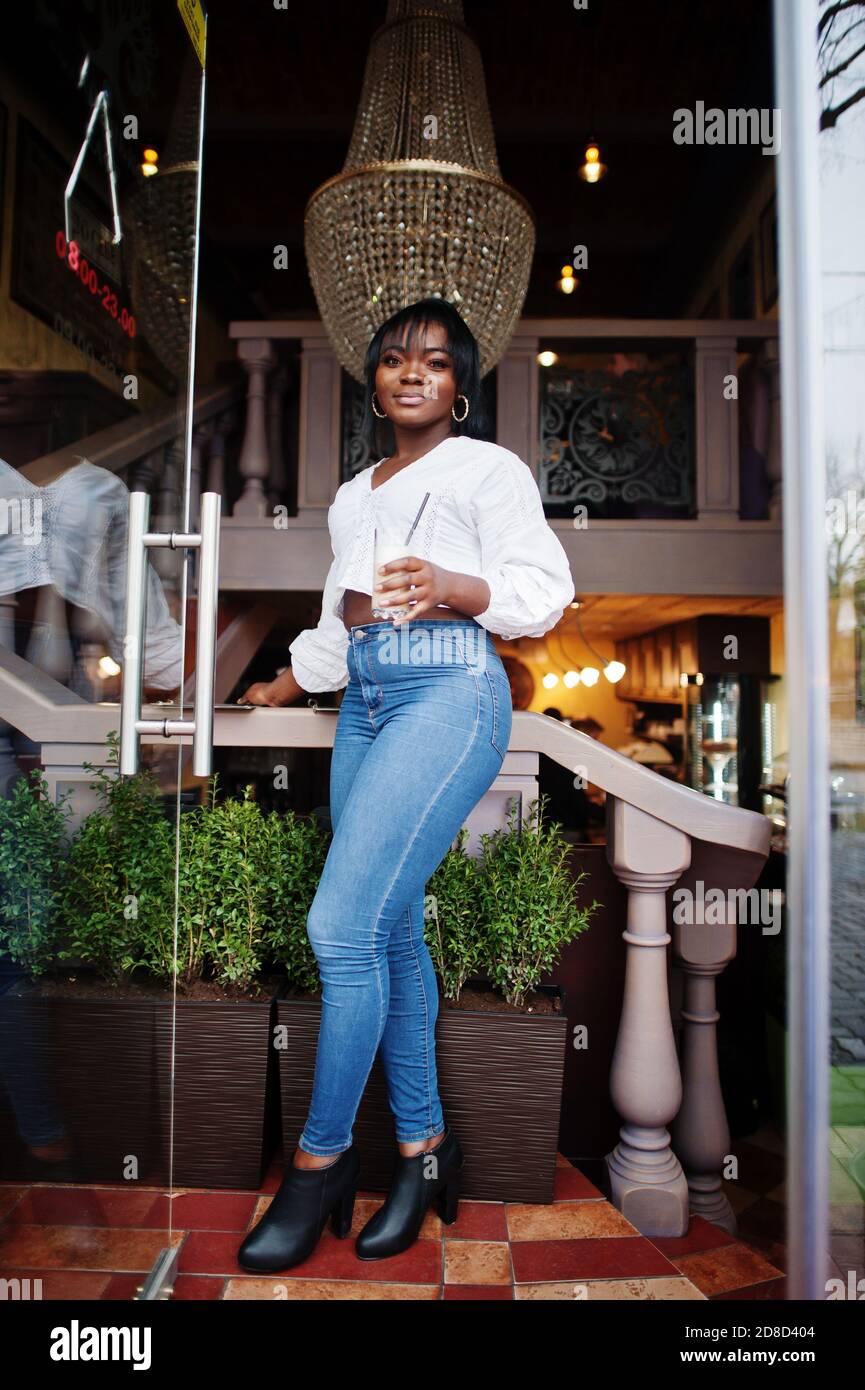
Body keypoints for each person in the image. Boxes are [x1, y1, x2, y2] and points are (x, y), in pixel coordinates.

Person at [237, 298, 575, 1269]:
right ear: (377, 381)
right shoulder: (353, 495)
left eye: (432, 360)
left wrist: (452, 585)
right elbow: (342, 621)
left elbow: (543, 591)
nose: (411, 372)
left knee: (337, 930)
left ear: (458, 385)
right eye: (393, 359)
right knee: (384, 929)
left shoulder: (487, 471)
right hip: (368, 702)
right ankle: (423, 1149)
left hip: (449, 688)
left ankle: (320, 1160)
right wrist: (286, 680)